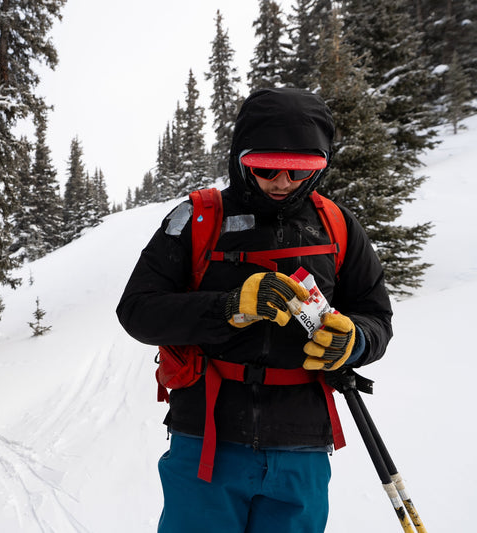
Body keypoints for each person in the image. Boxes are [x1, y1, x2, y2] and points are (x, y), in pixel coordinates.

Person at [116, 87, 393, 533]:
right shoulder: (198, 218)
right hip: (206, 438)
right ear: (240, 157)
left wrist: (354, 339)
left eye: (301, 170)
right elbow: (137, 310)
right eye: (265, 168)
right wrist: (228, 306)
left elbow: (377, 317)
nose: (282, 181)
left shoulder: (338, 225)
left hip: (301, 445)